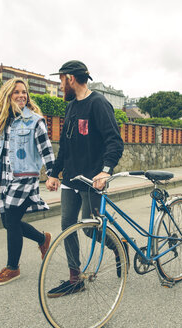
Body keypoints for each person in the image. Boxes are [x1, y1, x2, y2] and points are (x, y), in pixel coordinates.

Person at [46, 60, 124, 297]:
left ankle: (118, 248)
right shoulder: (70, 108)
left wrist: (106, 170)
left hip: (93, 180)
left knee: (90, 228)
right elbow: (65, 147)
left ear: (70, 78)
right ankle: (74, 278)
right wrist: (53, 173)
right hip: (71, 179)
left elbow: (114, 140)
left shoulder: (98, 104)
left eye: (61, 80)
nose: (60, 86)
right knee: (67, 225)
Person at [0, 77, 55, 286]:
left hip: (24, 180)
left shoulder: (35, 121)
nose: (21, 95)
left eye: (24, 92)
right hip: (6, 180)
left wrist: (52, 174)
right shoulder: (4, 122)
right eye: (16, 92)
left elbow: (46, 150)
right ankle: (43, 240)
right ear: (8, 96)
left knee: (12, 221)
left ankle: (13, 268)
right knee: (7, 222)